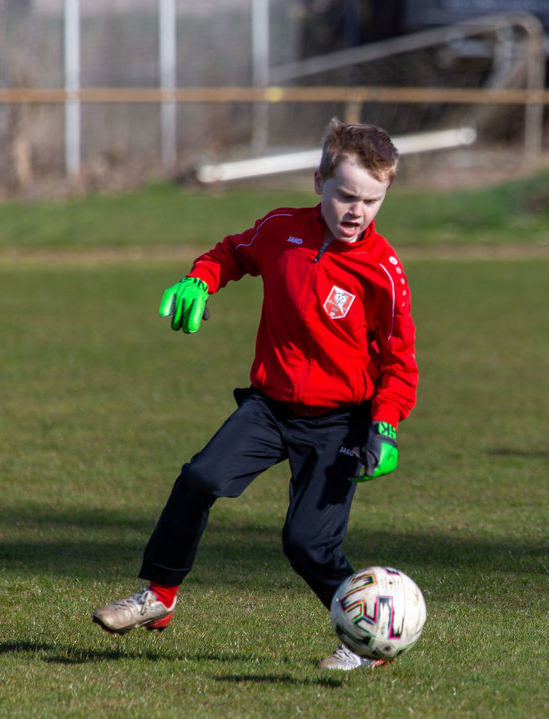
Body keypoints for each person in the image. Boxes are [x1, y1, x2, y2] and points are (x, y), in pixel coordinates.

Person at [92, 119, 418, 672]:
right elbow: (231, 254)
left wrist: (383, 426)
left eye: (371, 200)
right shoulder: (281, 230)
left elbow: (399, 364)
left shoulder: (382, 272)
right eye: (345, 195)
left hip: (341, 421)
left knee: (306, 544)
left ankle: (371, 637)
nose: (356, 211)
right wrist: (200, 279)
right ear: (318, 182)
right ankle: (159, 596)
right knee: (199, 478)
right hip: (269, 406)